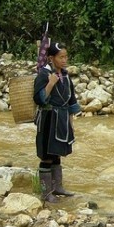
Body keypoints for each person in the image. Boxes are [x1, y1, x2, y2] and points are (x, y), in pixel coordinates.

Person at [33, 42, 82, 203]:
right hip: (48, 118)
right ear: (51, 58)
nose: (64, 60)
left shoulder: (66, 75)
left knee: (57, 155)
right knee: (47, 156)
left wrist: (71, 123)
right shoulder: (44, 75)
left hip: (61, 118)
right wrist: (51, 83)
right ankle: (46, 193)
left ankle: (58, 187)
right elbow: (39, 99)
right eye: (61, 57)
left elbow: (71, 100)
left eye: (66, 56)